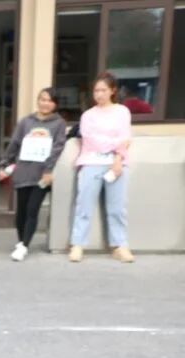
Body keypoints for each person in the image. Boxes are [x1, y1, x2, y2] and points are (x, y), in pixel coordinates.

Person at [69, 71, 134, 263]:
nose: (99, 94)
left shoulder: (122, 112)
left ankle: (120, 245)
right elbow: (90, 139)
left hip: (117, 163)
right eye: (96, 90)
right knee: (84, 205)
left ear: (113, 90)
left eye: (103, 90)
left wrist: (117, 158)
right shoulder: (88, 115)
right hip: (91, 161)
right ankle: (77, 244)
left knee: (117, 207)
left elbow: (125, 137)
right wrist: (112, 144)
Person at [0, 88, 67, 262]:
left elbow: (58, 148)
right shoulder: (26, 122)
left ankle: (24, 246)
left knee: (32, 210)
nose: (45, 103)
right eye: (42, 99)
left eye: (50, 100)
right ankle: (21, 242)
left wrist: (49, 170)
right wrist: (4, 164)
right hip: (23, 171)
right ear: (38, 101)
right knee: (21, 210)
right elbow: (14, 144)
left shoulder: (59, 124)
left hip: (42, 175)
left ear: (55, 104)